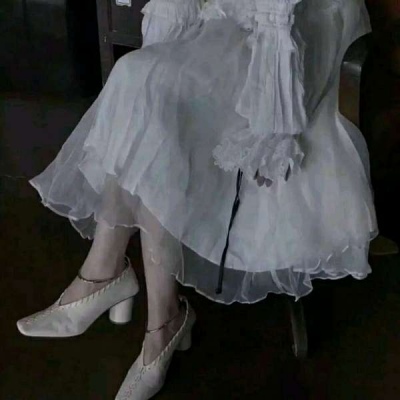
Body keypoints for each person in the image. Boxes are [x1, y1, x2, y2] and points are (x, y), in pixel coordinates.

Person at [16, 0, 377, 399]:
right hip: (229, 21)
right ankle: (148, 308)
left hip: (296, 31)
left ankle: (116, 284)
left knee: (149, 88)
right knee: (139, 81)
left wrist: (270, 117)